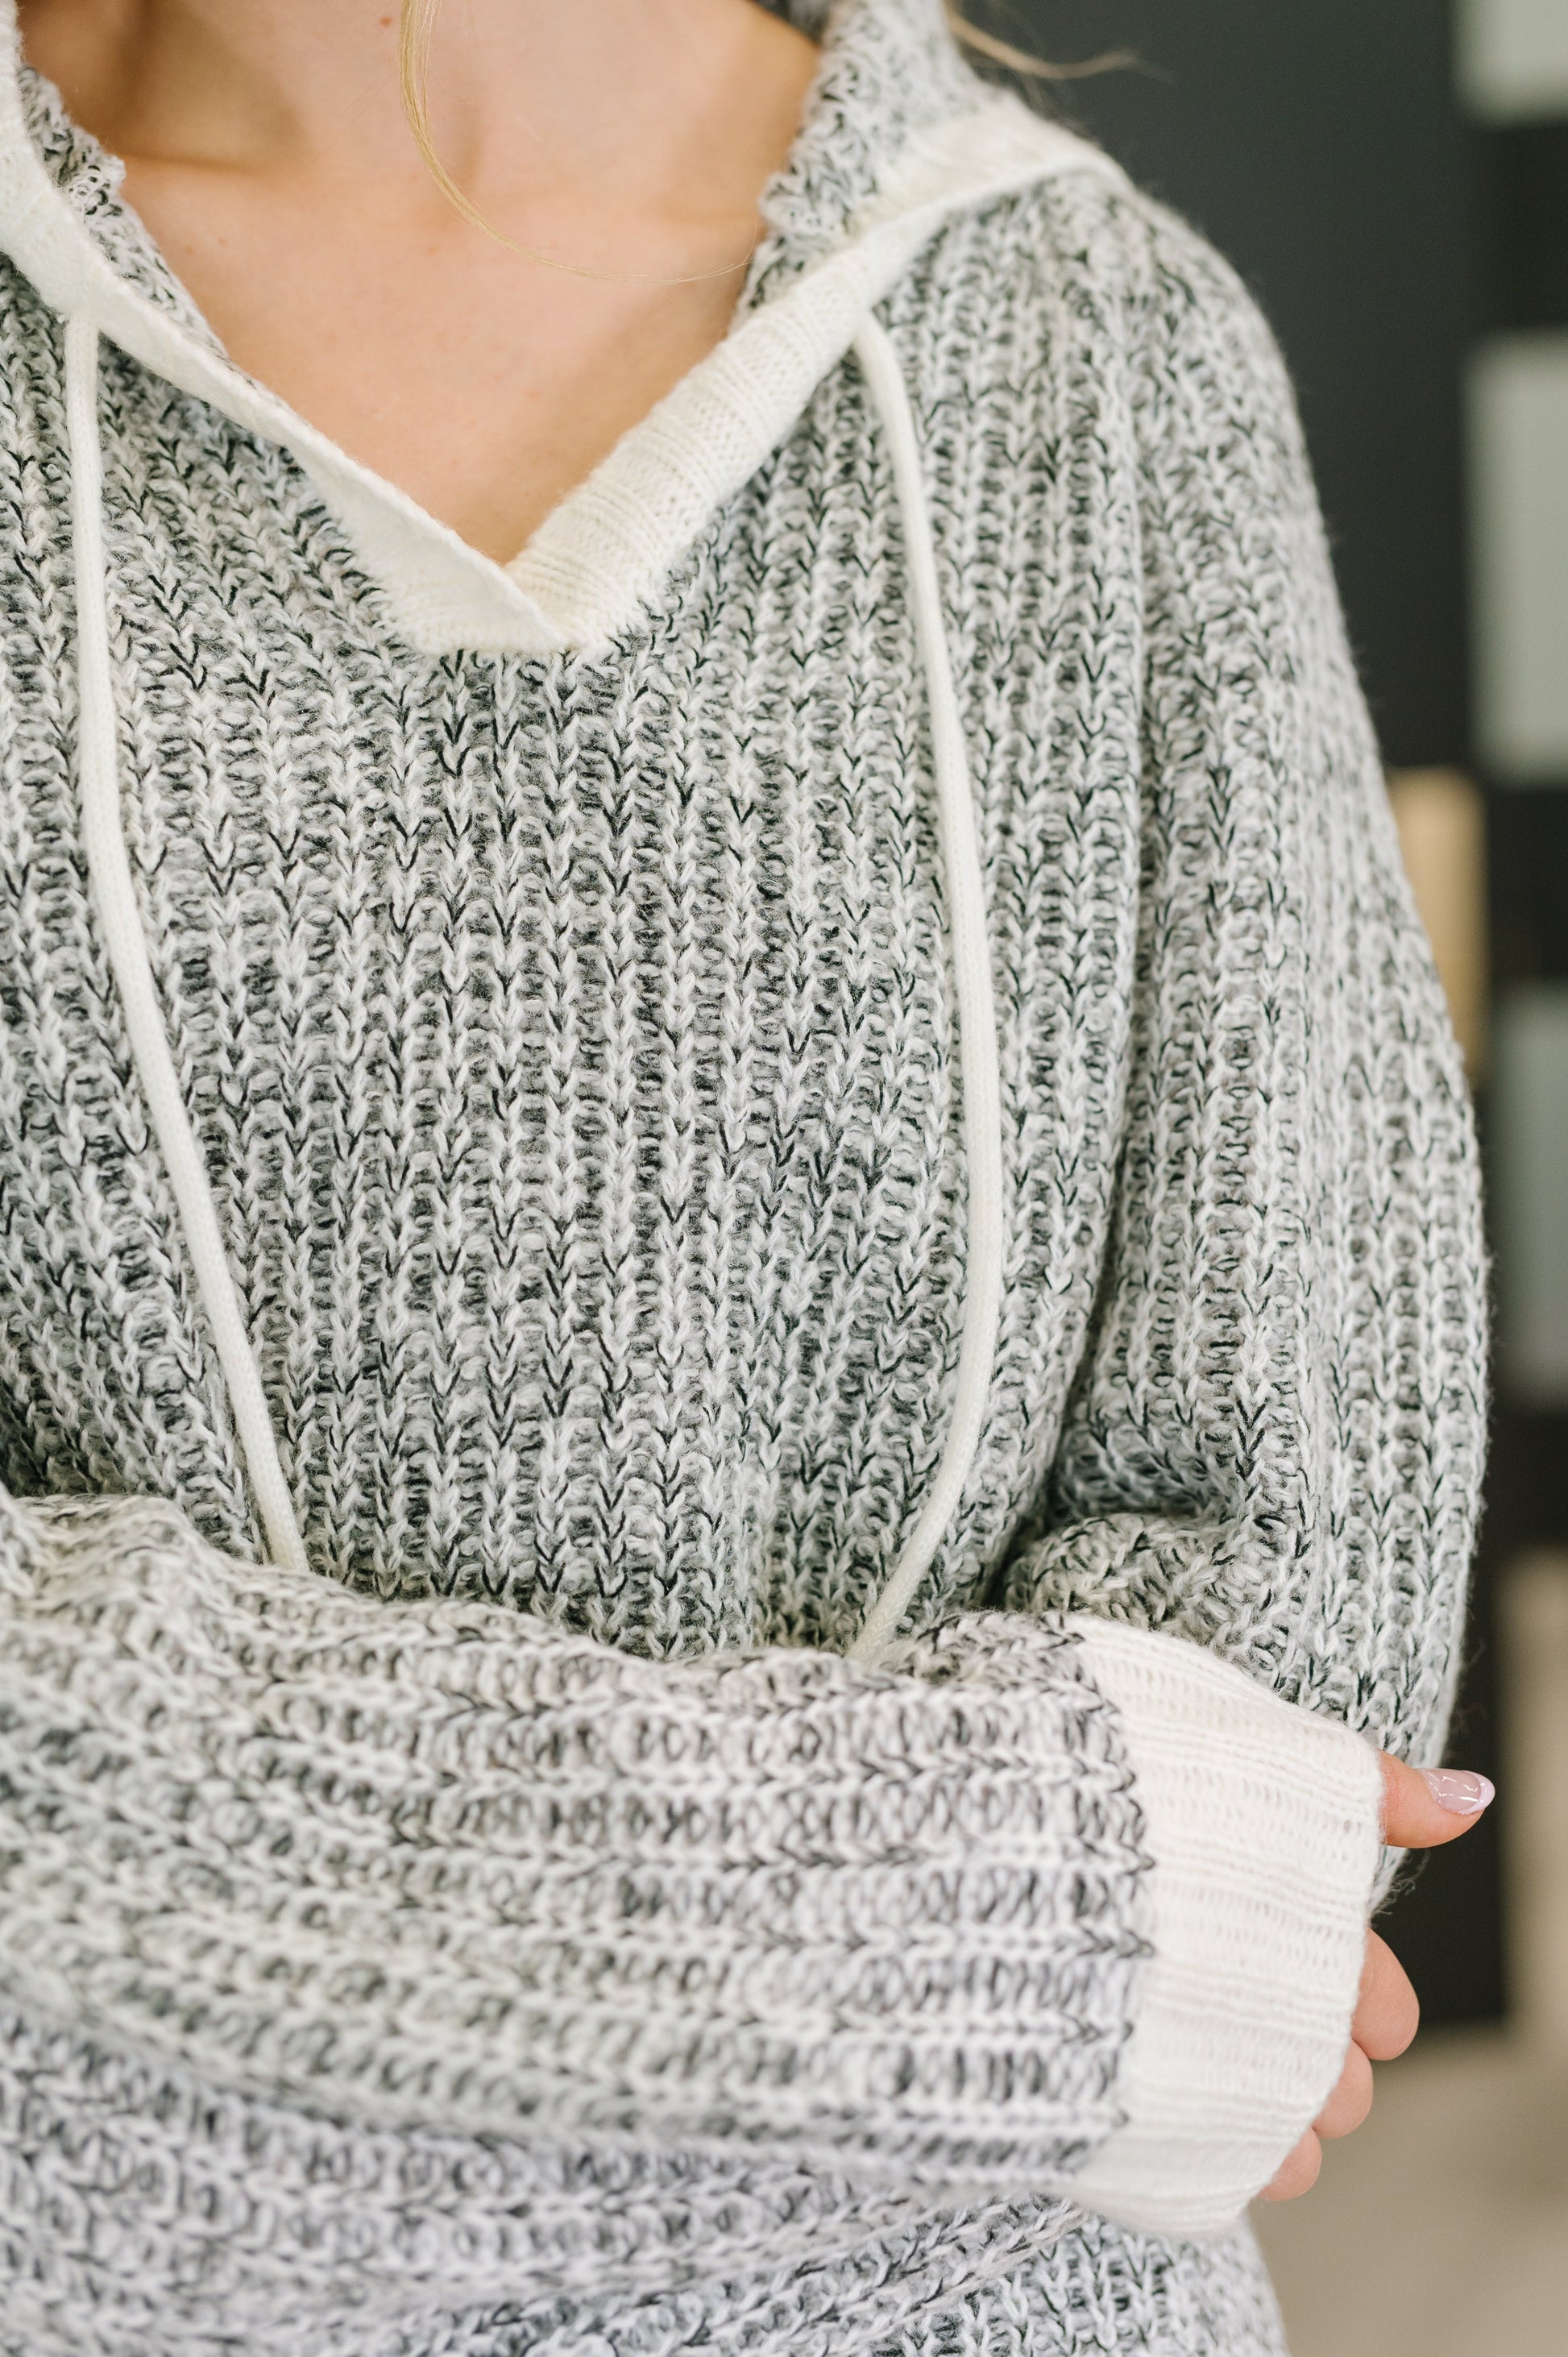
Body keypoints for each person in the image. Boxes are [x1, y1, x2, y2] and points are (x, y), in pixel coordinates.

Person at [0, 1, 1490, 2351]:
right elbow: (1168, 1938)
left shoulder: (1103, 349)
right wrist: (1028, 1969)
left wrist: (180, 2078)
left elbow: (1285, 1745)